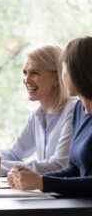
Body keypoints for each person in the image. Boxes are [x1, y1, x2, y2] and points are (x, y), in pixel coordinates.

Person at [0, 45, 76, 176]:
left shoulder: (73, 111)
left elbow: (58, 166)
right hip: (46, 193)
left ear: (56, 78)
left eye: (35, 73)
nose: (26, 80)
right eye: (25, 73)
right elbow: (14, 153)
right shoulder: (37, 116)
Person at [8, 36, 92, 196]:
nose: (62, 75)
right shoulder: (79, 112)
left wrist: (42, 182)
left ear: (78, 70)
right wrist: (33, 179)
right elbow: (74, 169)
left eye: (64, 68)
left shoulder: (72, 108)